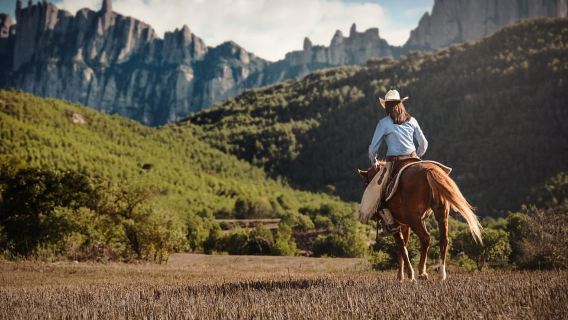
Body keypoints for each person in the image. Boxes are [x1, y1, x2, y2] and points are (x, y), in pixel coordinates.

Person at [359, 89, 428, 236]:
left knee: (378, 193)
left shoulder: (383, 123)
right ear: (401, 104)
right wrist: (417, 157)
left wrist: (374, 161)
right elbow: (424, 144)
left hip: (394, 163)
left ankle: (390, 224)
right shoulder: (413, 120)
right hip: (414, 158)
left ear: (387, 106)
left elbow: (373, 148)